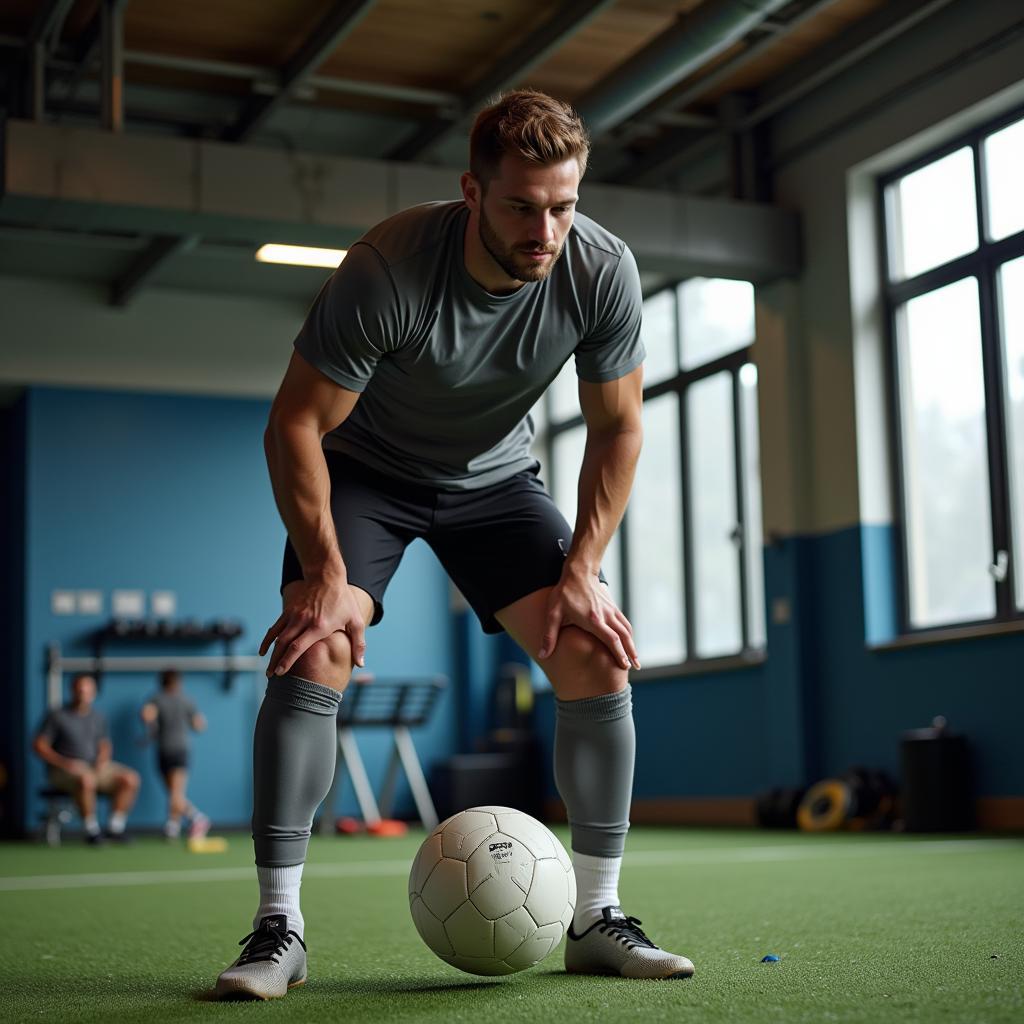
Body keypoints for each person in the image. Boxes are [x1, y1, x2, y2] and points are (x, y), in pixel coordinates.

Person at [215, 89, 694, 1000]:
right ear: (472, 192)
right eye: (521, 206)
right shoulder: (388, 269)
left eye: (563, 206)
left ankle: (596, 917)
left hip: (497, 483)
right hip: (369, 474)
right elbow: (296, 427)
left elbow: (620, 427)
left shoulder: (600, 271)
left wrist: (582, 571)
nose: (545, 229)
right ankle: (279, 928)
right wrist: (324, 574)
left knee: (593, 649)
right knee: (315, 650)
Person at [33, 673, 140, 844]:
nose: (83, 693)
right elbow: (39, 745)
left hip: (95, 766)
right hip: (65, 769)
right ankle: (91, 831)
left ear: (93, 693)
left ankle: (115, 828)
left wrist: (102, 760)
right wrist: (65, 763)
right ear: (72, 690)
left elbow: (105, 744)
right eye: (80, 689)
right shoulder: (57, 715)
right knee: (86, 779)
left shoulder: (98, 717)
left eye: (87, 690)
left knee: (130, 778)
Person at [140, 670, 210, 840]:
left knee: (174, 792)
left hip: (167, 750)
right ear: (177, 682)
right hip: (178, 749)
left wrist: (149, 730)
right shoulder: (186, 700)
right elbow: (199, 725)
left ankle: (179, 824)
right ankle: (186, 820)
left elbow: (146, 716)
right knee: (174, 792)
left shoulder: (156, 698)